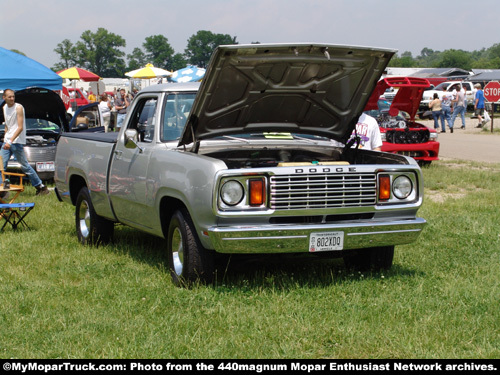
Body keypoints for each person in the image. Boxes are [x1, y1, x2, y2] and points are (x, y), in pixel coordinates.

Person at [1, 89, 49, 196]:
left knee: (25, 166)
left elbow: (20, 127)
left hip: (16, 142)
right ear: (4, 98)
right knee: (0, 166)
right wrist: (5, 137)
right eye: (9, 97)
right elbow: (8, 124)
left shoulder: (18, 108)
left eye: (13, 96)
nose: (12, 98)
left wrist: (10, 141)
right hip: (8, 141)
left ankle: (41, 187)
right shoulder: (4, 108)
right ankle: (3, 190)